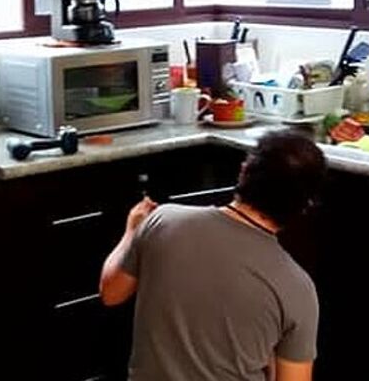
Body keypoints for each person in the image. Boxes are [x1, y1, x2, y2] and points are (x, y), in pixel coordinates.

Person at [99, 129, 326, 381]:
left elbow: (111, 292)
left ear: (243, 171)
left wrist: (132, 231)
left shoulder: (164, 220)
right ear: (304, 206)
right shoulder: (297, 289)